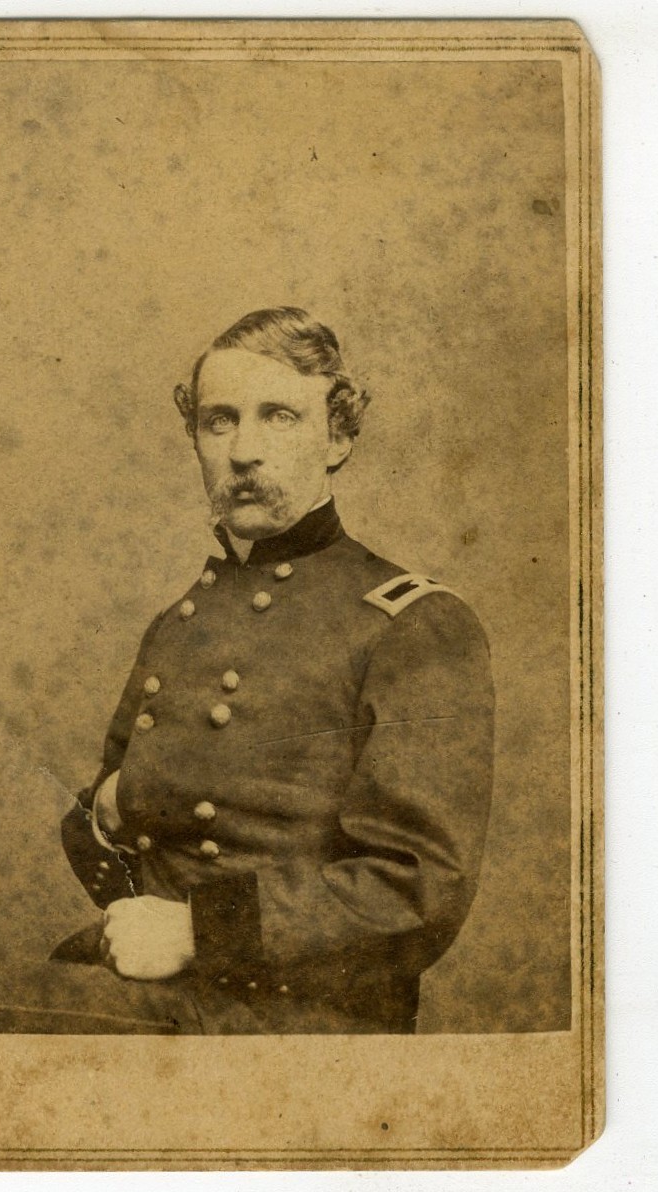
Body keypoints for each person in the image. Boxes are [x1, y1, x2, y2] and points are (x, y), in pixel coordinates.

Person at [57, 306, 495, 1034]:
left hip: (303, 1023)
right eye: (218, 421)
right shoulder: (177, 622)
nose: (243, 452)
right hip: (162, 999)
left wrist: (199, 934)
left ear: (338, 438)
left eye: (279, 417)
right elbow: (123, 837)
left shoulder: (413, 624)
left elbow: (418, 888)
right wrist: (105, 816)